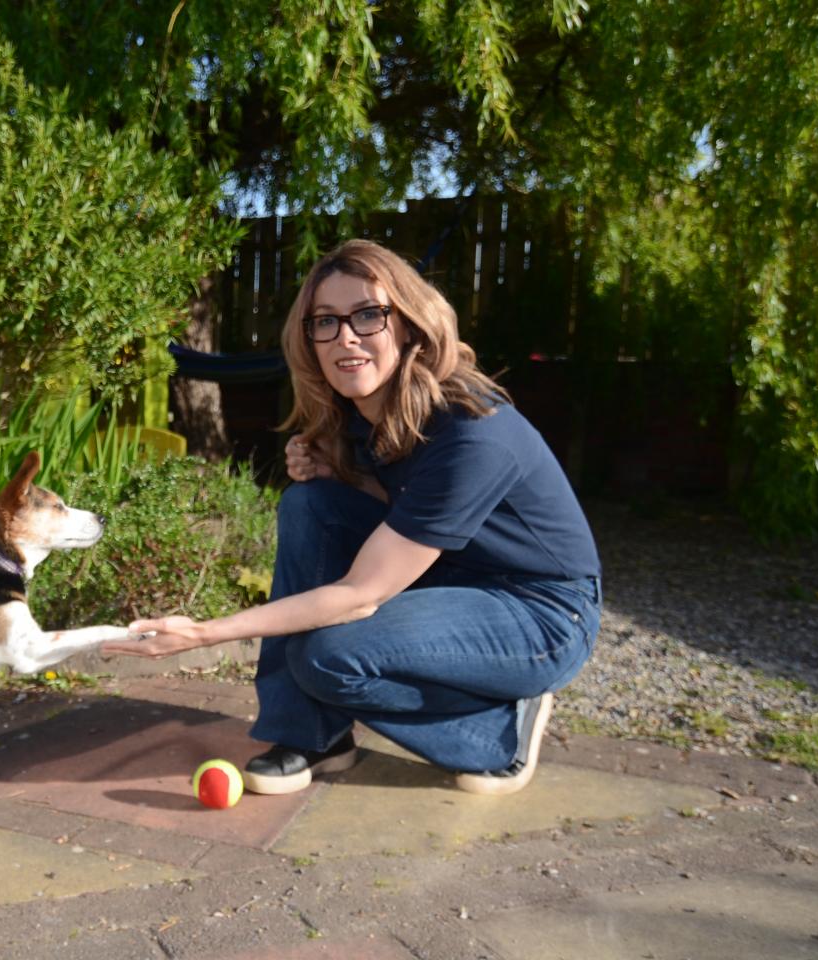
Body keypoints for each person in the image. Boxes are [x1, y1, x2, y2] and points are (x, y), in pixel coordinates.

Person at [103, 238, 601, 796]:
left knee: (327, 656)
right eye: (326, 321)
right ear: (308, 339)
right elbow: (404, 506)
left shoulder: (472, 430)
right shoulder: (363, 412)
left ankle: (496, 731)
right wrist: (337, 472)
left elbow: (363, 592)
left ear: (409, 325)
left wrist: (203, 633)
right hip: (450, 577)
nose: (346, 337)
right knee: (310, 503)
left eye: (369, 315)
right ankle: (312, 737)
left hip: (539, 613)